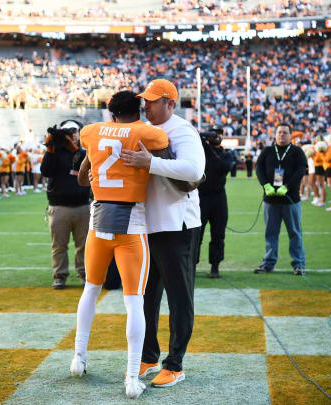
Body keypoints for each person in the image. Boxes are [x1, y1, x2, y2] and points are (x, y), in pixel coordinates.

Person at [71, 90, 170, 399]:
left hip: (98, 220)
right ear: (138, 109)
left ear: (110, 111)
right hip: (131, 224)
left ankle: (78, 357)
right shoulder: (143, 131)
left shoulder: (92, 131)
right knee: (134, 301)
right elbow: (162, 142)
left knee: (91, 288)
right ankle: (130, 376)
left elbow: (87, 154)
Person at [120, 79, 205, 388]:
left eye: (153, 101)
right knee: (147, 297)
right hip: (149, 225)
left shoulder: (182, 130)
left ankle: (175, 363)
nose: (147, 105)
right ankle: (149, 354)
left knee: (180, 298)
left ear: (170, 103)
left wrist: (151, 162)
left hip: (177, 226)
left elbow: (195, 171)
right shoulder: (148, 128)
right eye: (146, 100)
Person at [40, 121, 91, 289]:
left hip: (83, 205)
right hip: (59, 206)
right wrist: (50, 149)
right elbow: (46, 171)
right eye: (68, 131)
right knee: (58, 246)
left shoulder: (84, 153)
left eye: (75, 130)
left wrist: (77, 152)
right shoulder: (54, 152)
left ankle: (84, 273)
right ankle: (59, 276)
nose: (73, 134)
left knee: (83, 245)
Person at [253, 123, 308, 275]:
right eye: (279, 132)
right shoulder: (268, 151)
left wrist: (288, 187)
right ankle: (268, 264)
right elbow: (259, 169)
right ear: (275, 135)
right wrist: (265, 185)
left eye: (285, 133)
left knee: (295, 233)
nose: (282, 135)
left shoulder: (297, 151)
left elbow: (301, 170)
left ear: (291, 135)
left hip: (290, 200)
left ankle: (299, 264)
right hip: (270, 201)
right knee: (270, 233)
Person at [197, 129, 233, 278]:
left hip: (219, 198)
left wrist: (208, 145)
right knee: (196, 235)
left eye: (218, 134)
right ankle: (192, 265)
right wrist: (204, 141)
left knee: (218, 234)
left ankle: (215, 266)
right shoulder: (201, 151)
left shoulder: (227, 154)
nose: (215, 137)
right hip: (201, 197)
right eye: (212, 135)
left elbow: (222, 167)